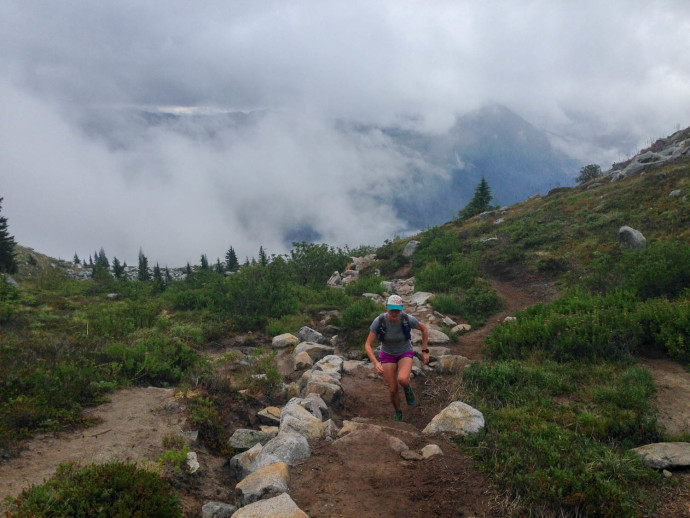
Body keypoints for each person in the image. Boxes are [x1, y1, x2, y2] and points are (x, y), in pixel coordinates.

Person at [364, 294, 429, 421]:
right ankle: (398, 413)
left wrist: (425, 350)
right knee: (393, 389)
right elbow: (368, 345)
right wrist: (376, 363)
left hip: (405, 351)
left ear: (401, 309)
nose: (394, 313)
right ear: (386, 308)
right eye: (391, 309)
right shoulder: (380, 321)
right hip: (387, 354)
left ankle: (407, 387)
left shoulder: (406, 319)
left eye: (397, 310)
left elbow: (424, 329)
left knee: (403, 379)